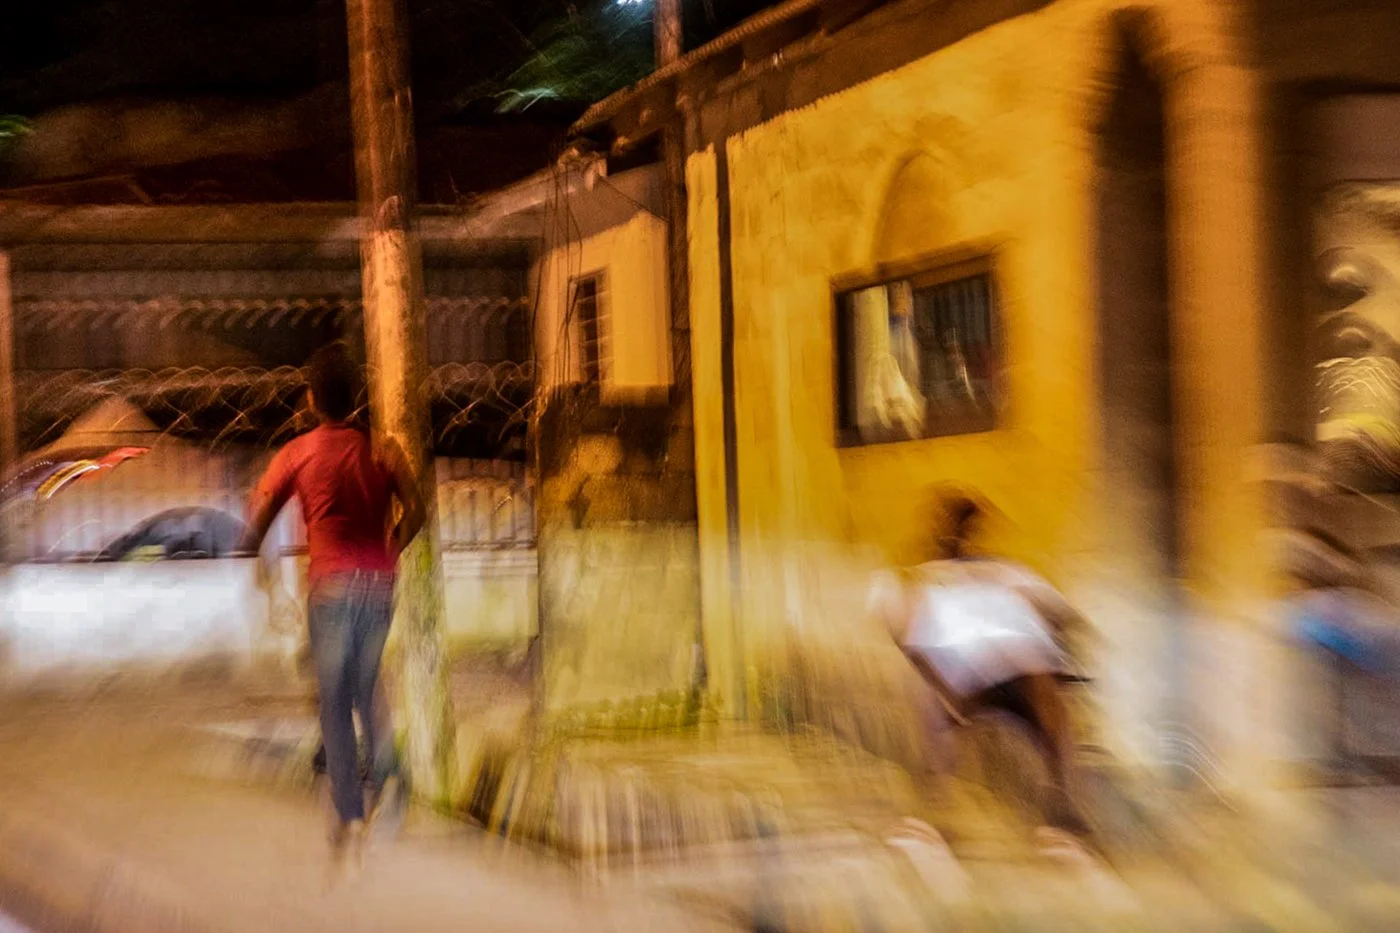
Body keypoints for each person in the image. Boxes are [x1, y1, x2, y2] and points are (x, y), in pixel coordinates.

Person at [239, 342, 424, 861]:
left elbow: (258, 521)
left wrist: (254, 554)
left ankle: (348, 812)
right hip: (380, 585)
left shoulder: (297, 453)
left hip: (332, 587)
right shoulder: (382, 448)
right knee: (368, 688)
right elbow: (419, 509)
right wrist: (390, 547)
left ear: (313, 398)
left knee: (335, 703)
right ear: (357, 398)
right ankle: (391, 783)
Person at [871, 495, 1086, 833]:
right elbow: (906, 638)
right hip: (957, 679)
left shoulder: (1006, 571)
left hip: (1016, 677)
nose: (959, 536)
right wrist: (940, 685)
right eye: (955, 528)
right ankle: (935, 803)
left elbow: (1058, 614)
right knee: (933, 702)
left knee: (1047, 695)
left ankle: (1061, 799)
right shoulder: (923, 578)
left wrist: (1062, 655)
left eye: (967, 528)